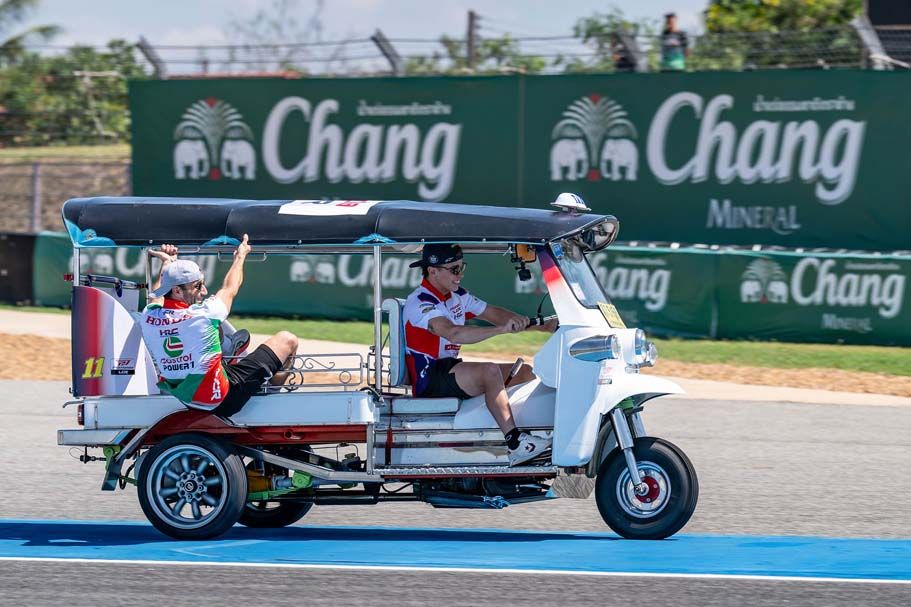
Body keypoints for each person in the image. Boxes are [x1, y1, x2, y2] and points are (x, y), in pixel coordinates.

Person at [402, 243, 558, 466]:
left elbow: (494, 313)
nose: (460, 275)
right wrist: (501, 330)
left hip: (450, 368)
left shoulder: (457, 295)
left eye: (462, 267)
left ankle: (529, 435)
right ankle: (515, 443)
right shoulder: (420, 302)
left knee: (525, 372)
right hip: (429, 377)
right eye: (454, 269)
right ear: (433, 270)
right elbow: (453, 333)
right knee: (489, 371)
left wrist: (545, 326)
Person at [142, 235, 299, 418]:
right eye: (198, 286)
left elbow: (156, 297)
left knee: (216, 331)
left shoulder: (149, 316)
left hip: (188, 398)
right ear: (177, 290)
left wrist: (167, 264)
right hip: (224, 399)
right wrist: (240, 256)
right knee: (288, 340)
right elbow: (230, 288)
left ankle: (229, 355)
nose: (204, 291)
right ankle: (269, 393)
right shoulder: (203, 315)